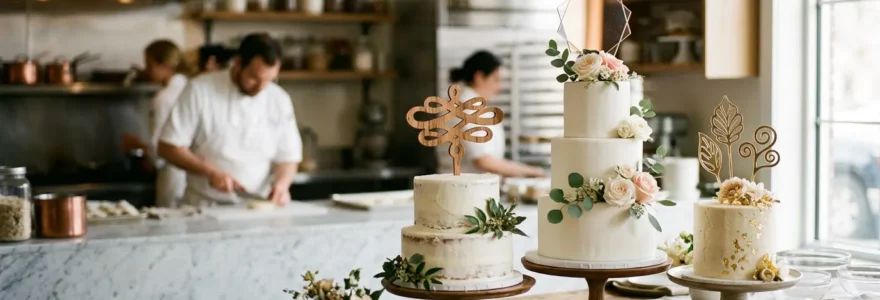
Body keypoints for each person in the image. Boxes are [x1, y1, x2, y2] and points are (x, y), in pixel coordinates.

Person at [157, 33, 302, 207]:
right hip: (204, 206)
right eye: (254, 78)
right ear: (238, 63)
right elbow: (168, 146)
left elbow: (288, 156)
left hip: (258, 208)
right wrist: (211, 172)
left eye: (270, 80)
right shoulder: (199, 89)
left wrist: (282, 185)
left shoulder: (279, 99)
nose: (261, 87)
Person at [437, 51, 545, 178]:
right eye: (496, 80)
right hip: (466, 190)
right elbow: (483, 160)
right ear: (479, 77)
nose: (498, 88)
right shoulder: (467, 109)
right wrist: (532, 172)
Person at [121, 39, 193, 207]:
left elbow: (159, 149)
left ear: (166, 66)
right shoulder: (191, 88)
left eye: (149, 65)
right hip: (194, 176)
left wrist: (137, 145)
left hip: (173, 176)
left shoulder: (163, 99)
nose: (147, 71)